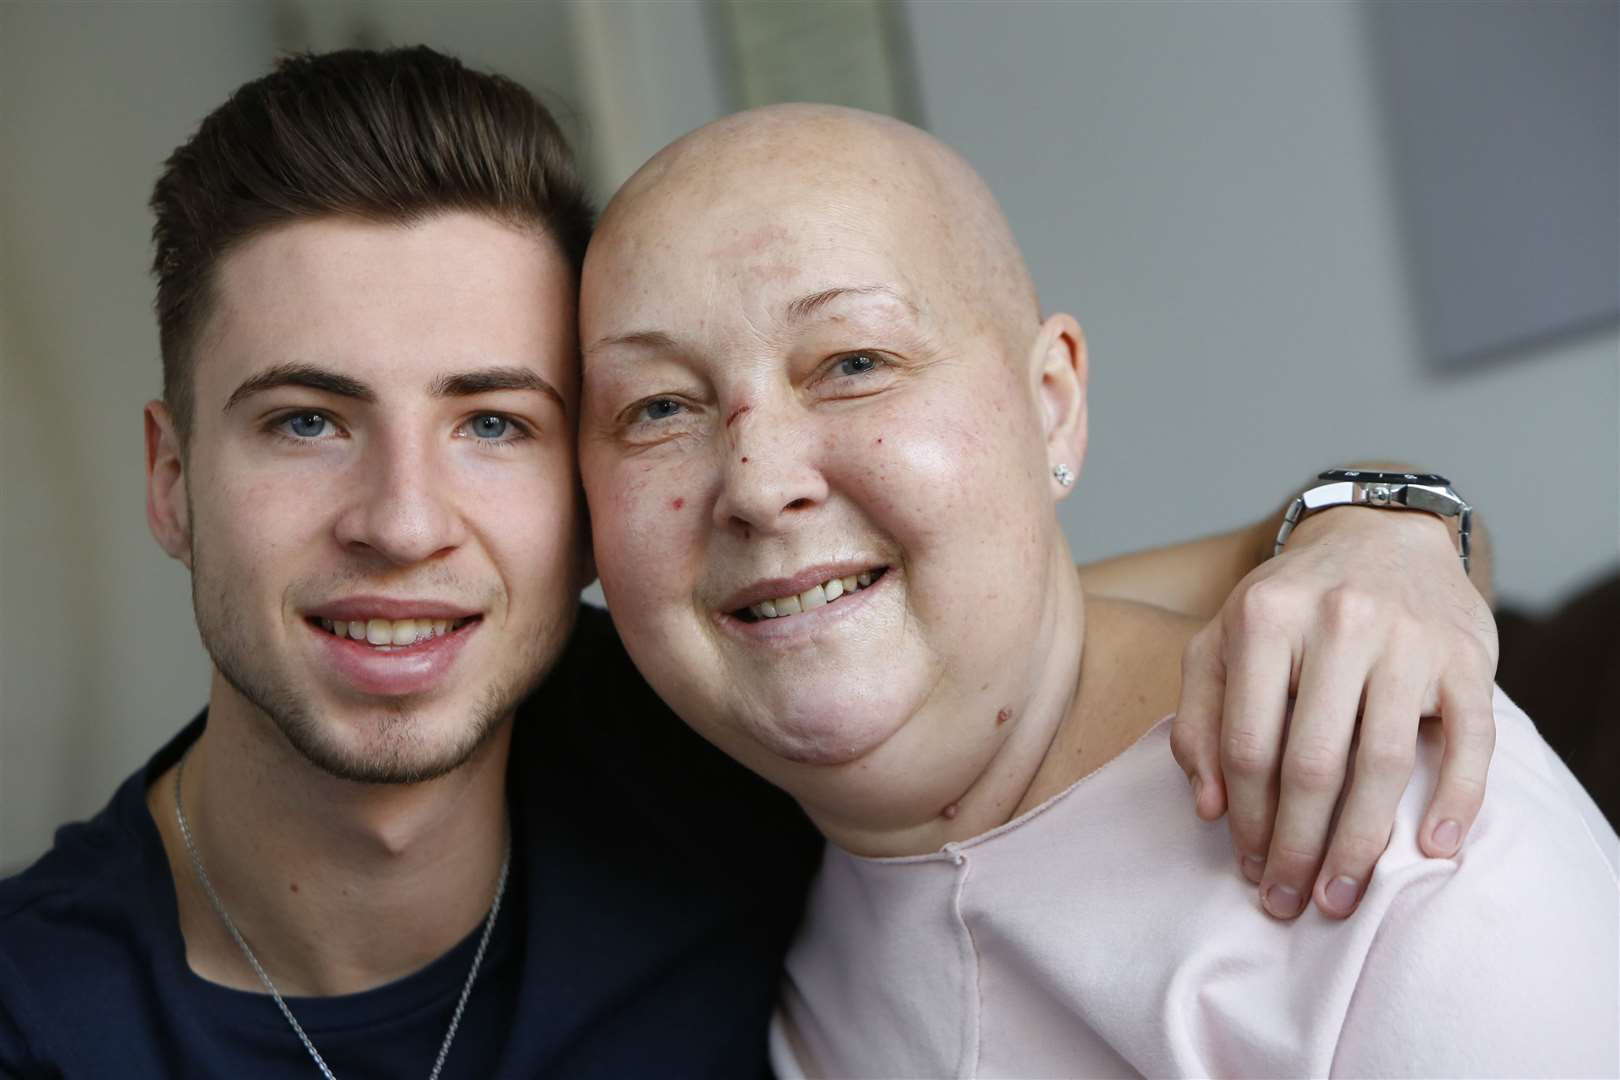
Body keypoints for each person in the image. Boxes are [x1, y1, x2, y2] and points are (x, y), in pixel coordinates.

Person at [0, 49, 1504, 1078]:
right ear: (172, 477)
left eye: (495, 424)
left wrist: (1393, 527)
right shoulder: (37, 1019)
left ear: (587, 494)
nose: (404, 520)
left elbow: (1002, 606)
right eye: (309, 420)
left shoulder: (709, 743)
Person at [576, 103, 1619, 1077]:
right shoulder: (690, 841)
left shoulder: (1408, 841)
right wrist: (1384, 518)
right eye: (658, 407)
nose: (759, 484)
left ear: (1051, 406)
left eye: (854, 361)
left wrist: (1396, 526)